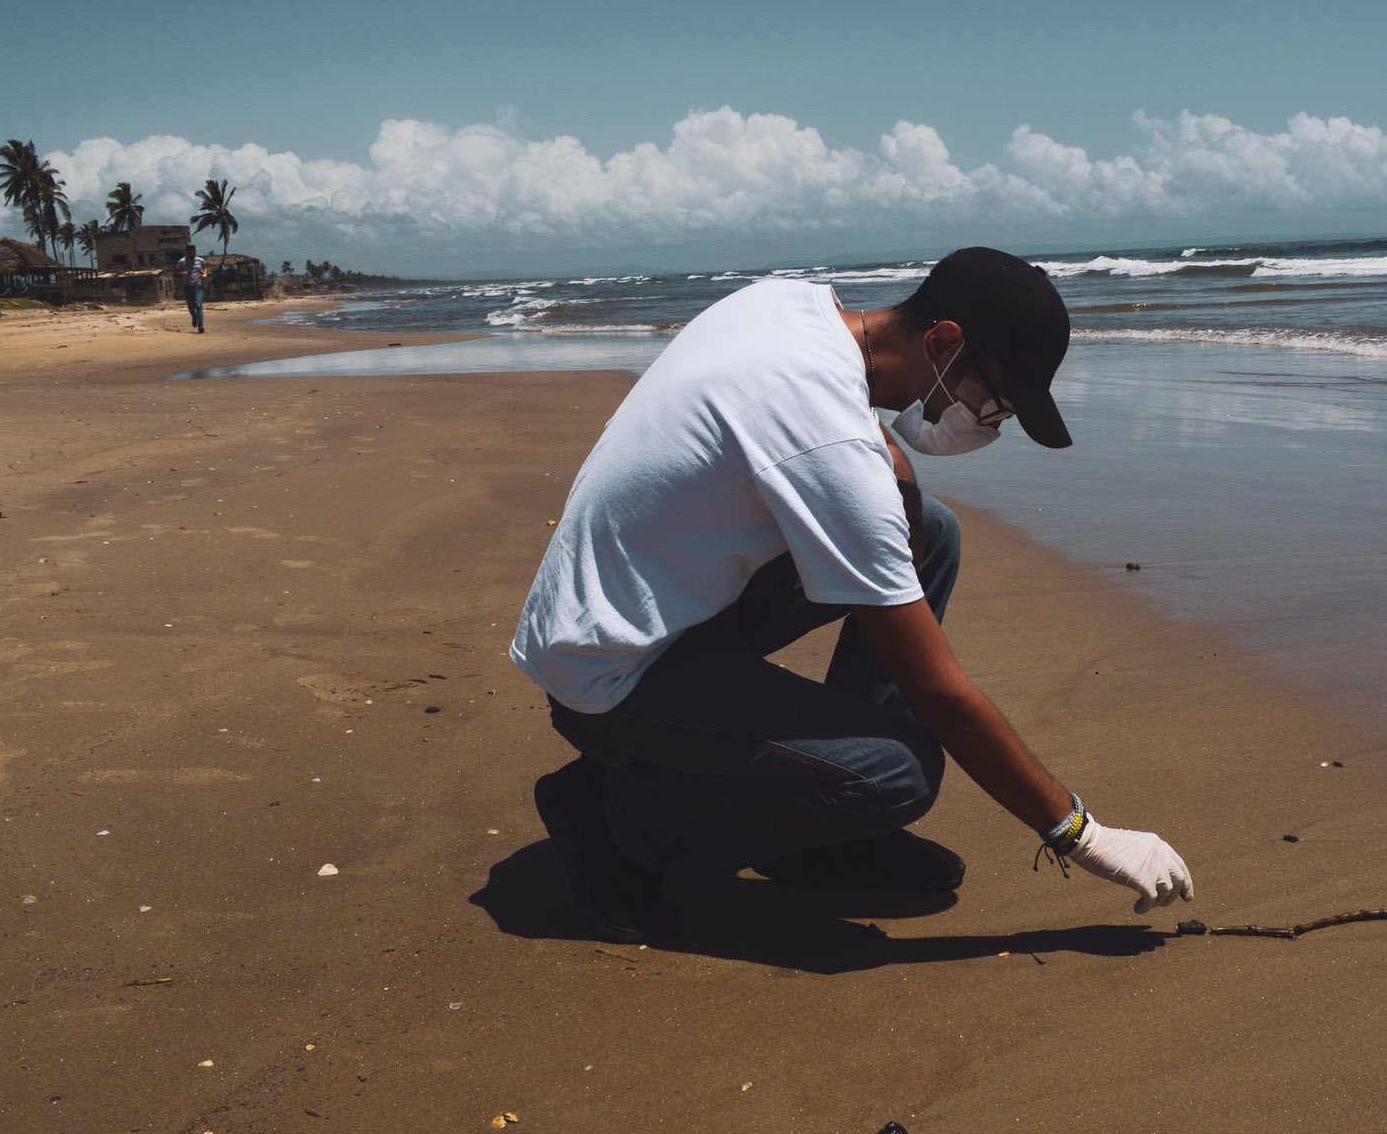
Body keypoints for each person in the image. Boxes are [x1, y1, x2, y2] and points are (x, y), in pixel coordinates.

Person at [511, 247, 1193, 944]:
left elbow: (836, 431)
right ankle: (610, 819)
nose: (989, 422)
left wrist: (900, 476)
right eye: (995, 402)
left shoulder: (788, 308)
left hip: (625, 605)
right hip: (609, 674)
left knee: (933, 533)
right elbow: (939, 694)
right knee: (899, 775)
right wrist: (1079, 832)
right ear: (944, 342)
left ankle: (821, 834)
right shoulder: (827, 445)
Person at [176, 248, 207, 333]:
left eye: (193, 253)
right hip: (187, 287)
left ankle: (201, 325)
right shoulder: (182, 261)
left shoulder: (200, 260)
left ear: (195, 252)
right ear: (187, 253)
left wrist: (204, 274)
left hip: (198, 286)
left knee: (198, 305)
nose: (192, 255)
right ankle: (194, 317)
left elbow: (205, 267)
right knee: (191, 306)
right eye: (190, 254)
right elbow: (177, 270)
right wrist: (182, 273)